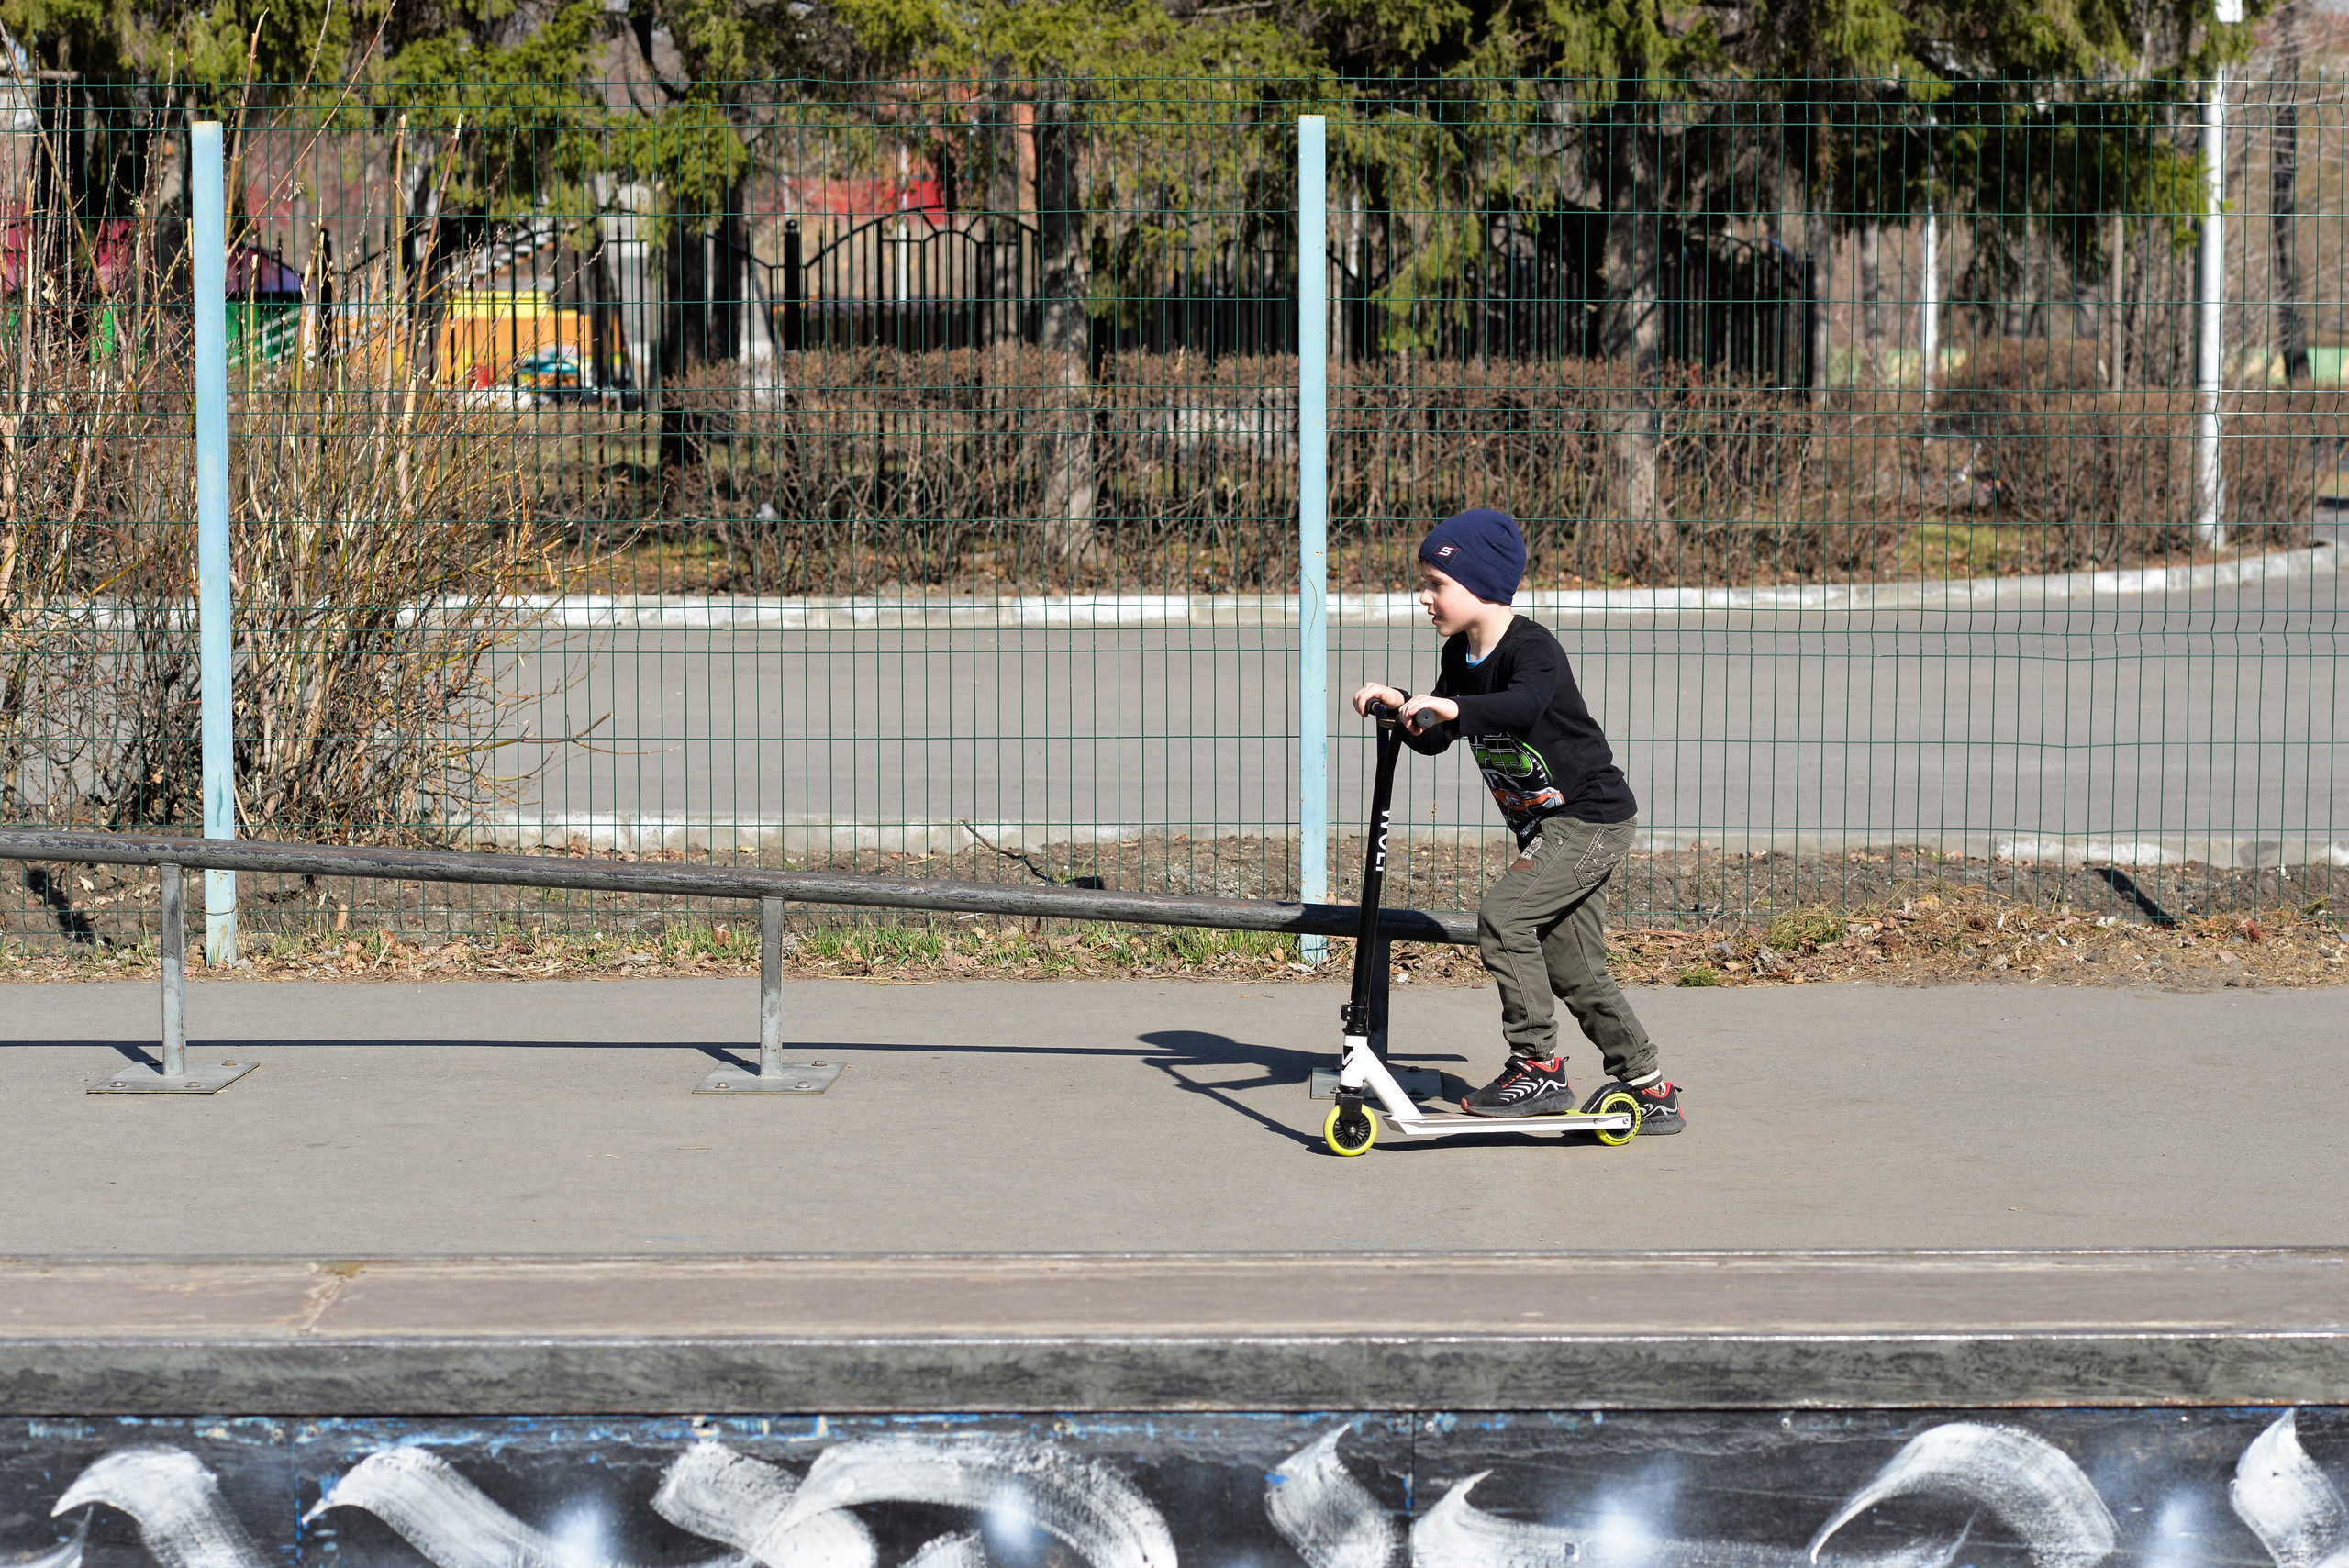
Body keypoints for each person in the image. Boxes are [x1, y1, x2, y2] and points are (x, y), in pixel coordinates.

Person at [1350, 507, 1684, 1133]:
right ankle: (1650, 1085)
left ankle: (1539, 1066)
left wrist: (1449, 704)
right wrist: (1403, 706)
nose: (1425, 597)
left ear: (1480, 582)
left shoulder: (1532, 649)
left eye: (1436, 584)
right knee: (1575, 968)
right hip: (1551, 828)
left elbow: (1522, 703)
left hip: (1590, 819)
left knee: (1502, 918)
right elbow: (1441, 733)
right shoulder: (1459, 654)